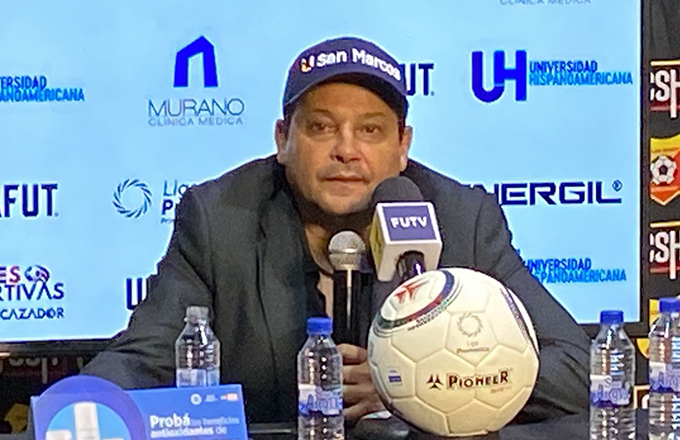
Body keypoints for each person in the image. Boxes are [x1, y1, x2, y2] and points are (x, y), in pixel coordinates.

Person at [82, 36, 589, 424]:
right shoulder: (219, 219)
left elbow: (578, 368)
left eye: (370, 130)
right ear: (283, 140)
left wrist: (424, 381)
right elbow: (143, 359)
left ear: (403, 146)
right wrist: (77, 408)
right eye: (321, 127)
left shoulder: (462, 219)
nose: (346, 150)